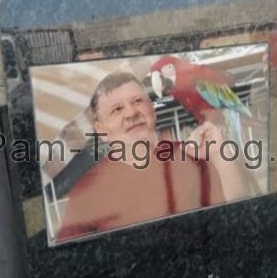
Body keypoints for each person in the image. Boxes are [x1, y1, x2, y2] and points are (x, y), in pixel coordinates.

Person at [55, 71, 249, 243]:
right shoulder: (87, 191)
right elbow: (70, 259)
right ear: (101, 130)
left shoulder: (192, 154)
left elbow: (237, 220)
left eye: (137, 101)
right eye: (117, 109)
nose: (131, 113)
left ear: (152, 109)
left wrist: (219, 155)